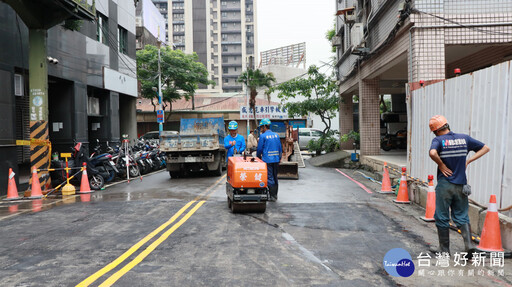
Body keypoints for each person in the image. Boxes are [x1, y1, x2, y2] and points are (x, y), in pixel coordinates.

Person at [428, 115, 490, 254]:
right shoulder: (465, 138)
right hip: (462, 184)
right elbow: (486, 148)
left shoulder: (438, 140)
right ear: (447, 125)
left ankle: (444, 251)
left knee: (442, 216)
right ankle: (469, 245)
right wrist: (468, 161)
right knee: (462, 215)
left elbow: (432, 153)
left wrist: (441, 164)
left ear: (435, 130)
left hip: (445, 184)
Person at [257, 119, 282, 201]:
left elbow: (259, 149)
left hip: (267, 160)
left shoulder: (263, 136)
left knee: (269, 177)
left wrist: (258, 158)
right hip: (276, 159)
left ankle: (272, 196)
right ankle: (275, 194)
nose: (261, 129)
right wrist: (279, 158)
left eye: (261, 127)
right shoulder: (276, 135)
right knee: (275, 176)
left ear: (264, 126)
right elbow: (280, 148)